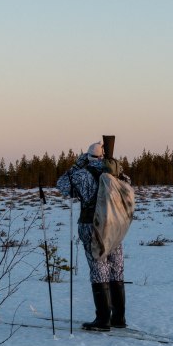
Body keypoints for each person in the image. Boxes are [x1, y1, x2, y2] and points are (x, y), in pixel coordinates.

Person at [56, 141, 128, 331]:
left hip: (92, 225)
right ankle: (118, 318)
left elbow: (62, 184)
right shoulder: (118, 173)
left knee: (98, 267)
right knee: (116, 267)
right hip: (115, 225)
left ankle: (102, 319)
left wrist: (78, 163)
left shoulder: (82, 174)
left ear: (88, 156)